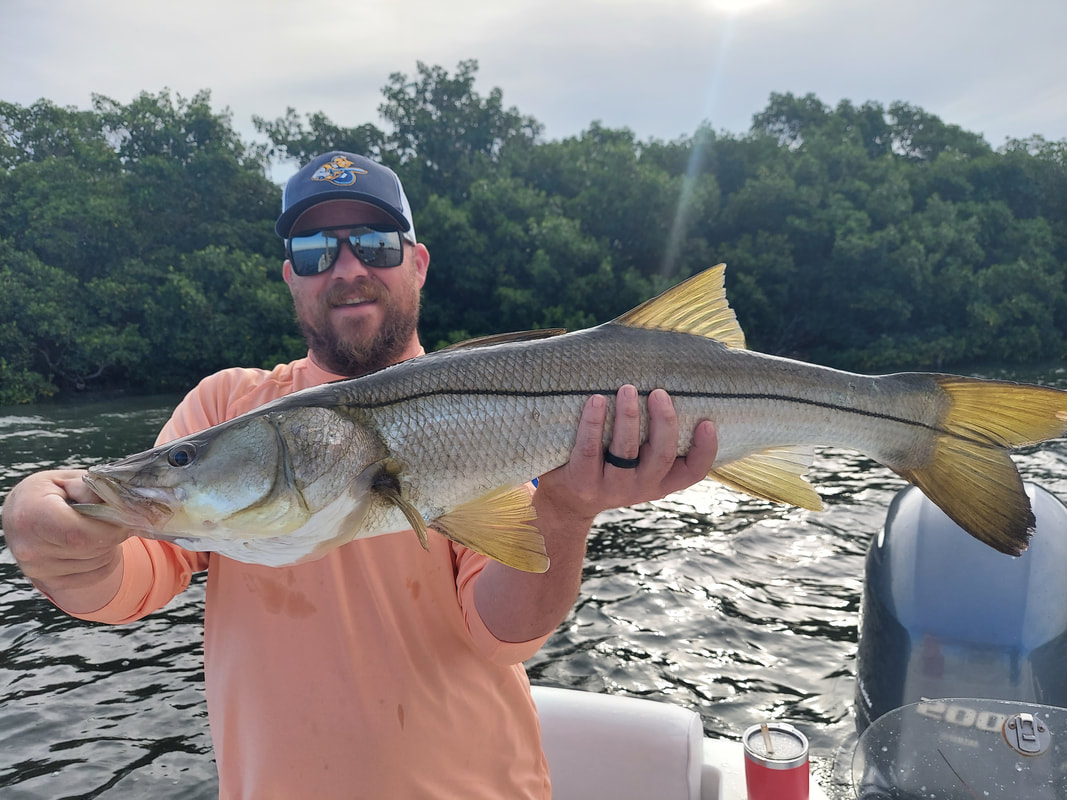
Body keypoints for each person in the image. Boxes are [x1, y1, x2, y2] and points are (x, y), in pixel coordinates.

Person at [2, 151, 719, 799]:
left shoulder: (492, 410)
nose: (346, 269)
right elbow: (132, 577)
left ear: (418, 263)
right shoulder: (226, 405)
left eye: (374, 244)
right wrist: (66, 548)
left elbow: (505, 635)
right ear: (290, 277)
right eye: (314, 251)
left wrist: (563, 513)